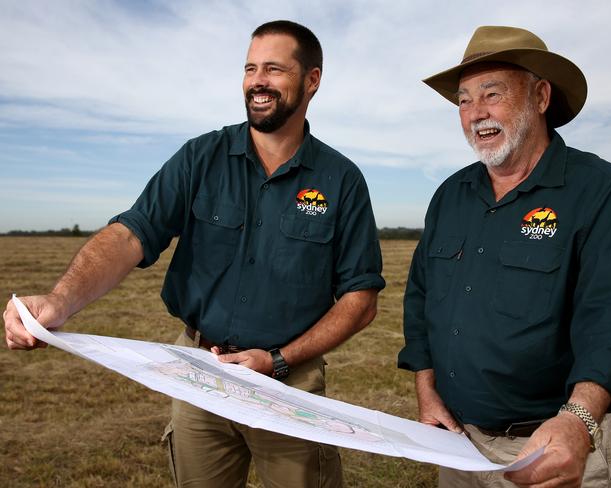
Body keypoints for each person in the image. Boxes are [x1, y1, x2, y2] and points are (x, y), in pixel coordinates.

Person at [4, 20, 385, 488]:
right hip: (200, 375)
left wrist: (280, 359)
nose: (257, 81)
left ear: (312, 80)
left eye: (274, 69)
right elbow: (131, 234)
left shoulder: (341, 180)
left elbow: (360, 299)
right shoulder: (200, 158)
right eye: (250, 68)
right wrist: (59, 301)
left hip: (289, 385)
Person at [398, 25, 611, 488]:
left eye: (492, 94)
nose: (477, 114)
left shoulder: (598, 190)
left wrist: (578, 422)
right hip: (458, 442)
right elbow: (420, 301)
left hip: (549, 445)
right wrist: (426, 389)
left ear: (540, 96)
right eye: (464, 100)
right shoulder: (450, 196)